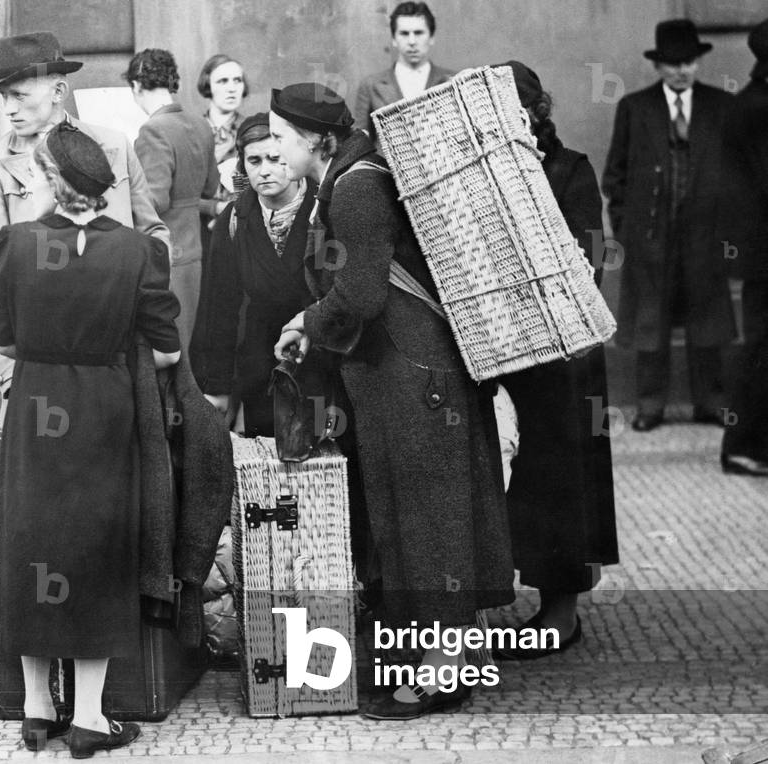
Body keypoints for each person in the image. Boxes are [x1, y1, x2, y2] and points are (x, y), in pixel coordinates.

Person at [270, 83, 514, 720]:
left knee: (433, 524)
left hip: (415, 376)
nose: (272, 146)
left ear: (312, 140)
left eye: (279, 135)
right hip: (402, 372)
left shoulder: (356, 187)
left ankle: (443, 676)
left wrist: (305, 321)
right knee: (416, 518)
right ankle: (439, 657)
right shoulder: (349, 176)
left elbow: (361, 292)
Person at [0, 123, 180, 756]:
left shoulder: (13, 244)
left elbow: (8, 341)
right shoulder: (135, 252)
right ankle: (91, 718)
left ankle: (38, 711)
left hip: (35, 409)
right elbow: (169, 348)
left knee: (34, 544)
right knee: (97, 547)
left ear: (49, 179)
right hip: (103, 410)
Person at [492, 62, 619, 658]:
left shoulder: (569, 170)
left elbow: (587, 262)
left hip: (566, 357)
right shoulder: (488, 176)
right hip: (508, 354)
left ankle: (560, 613)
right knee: (525, 480)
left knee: (563, 481)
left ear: (537, 110)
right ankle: (536, 603)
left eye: (515, 108)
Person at [0, 32, 169, 406]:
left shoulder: (113, 145)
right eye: (3, 97)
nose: (8, 108)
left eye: (20, 95)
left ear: (59, 91)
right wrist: (9, 373)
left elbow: (154, 234)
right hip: (41, 364)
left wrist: (149, 323)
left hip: (119, 354)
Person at [602, 19, 736, 432]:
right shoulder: (635, 108)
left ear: (698, 63)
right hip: (650, 238)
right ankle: (650, 406)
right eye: (673, 63)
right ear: (659, 66)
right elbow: (615, 177)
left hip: (705, 236)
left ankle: (711, 403)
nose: (682, 70)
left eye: (689, 62)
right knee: (649, 322)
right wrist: (628, 233)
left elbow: (738, 173)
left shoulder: (721, 107)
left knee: (707, 319)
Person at [191, 112, 317, 434]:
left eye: (275, 158)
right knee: (269, 463)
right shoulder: (235, 220)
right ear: (242, 165)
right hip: (262, 361)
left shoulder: (321, 206)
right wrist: (217, 386)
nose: (265, 170)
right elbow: (219, 308)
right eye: (254, 160)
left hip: (319, 357)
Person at [127, 48, 219, 353]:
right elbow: (211, 186)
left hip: (164, 253)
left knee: (166, 352)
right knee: (186, 346)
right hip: (194, 247)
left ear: (137, 86)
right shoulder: (200, 124)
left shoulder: (152, 129)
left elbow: (154, 201)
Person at [720, 19, 768, 477]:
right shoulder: (756, 108)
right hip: (763, 256)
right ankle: (741, 446)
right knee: (760, 350)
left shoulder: (749, 104)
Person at [353, 2, 454, 146]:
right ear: (394, 39)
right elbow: (359, 144)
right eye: (404, 33)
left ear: (431, 37)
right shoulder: (370, 85)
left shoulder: (452, 81)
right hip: (387, 168)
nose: (412, 41)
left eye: (419, 33)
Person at [196, 54, 248, 232]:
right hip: (197, 228)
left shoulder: (253, 132)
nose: (232, 88)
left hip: (240, 227)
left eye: (237, 80)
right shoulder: (192, 132)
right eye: (223, 81)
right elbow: (179, 193)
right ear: (208, 85)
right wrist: (213, 208)